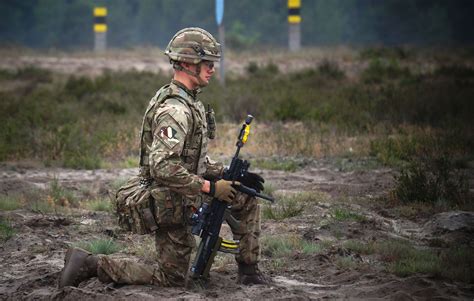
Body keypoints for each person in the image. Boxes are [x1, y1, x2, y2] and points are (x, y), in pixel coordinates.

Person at [59, 27, 268, 288]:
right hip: (169, 199)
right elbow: (162, 167)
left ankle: (249, 272)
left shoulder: (190, 101)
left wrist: (225, 173)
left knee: (245, 196)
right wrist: (211, 187)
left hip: (185, 190)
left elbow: (192, 160)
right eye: (206, 62)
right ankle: (91, 264)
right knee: (171, 279)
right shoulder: (175, 110)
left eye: (213, 62)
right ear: (186, 63)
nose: (212, 68)